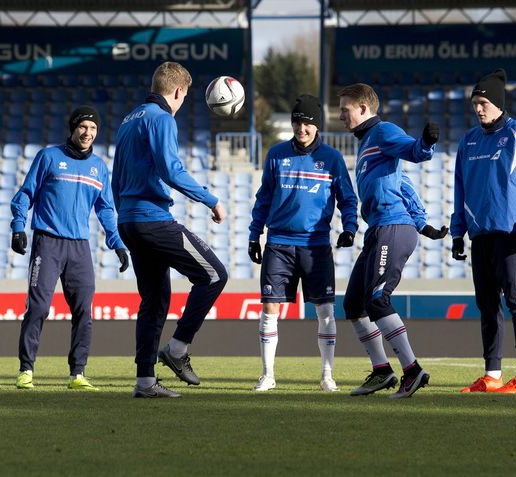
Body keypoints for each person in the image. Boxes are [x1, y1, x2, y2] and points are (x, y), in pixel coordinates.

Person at [112, 61, 228, 398]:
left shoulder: (128, 120)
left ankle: (145, 381)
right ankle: (177, 350)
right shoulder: (161, 118)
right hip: (151, 218)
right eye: (185, 97)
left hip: (130, 221)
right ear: (178, 91)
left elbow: (117, 178)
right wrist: (211, 200)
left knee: (155, 300)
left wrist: (126, 218)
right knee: (214, 275)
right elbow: (171, 170)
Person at [10, 105, 129, 390]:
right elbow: (24, 195)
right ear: (73, 128)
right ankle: (26, 370)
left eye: (93, 129)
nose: (88, 133)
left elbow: (106, 210)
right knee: (38, 308)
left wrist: (118, 244)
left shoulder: (99, 167)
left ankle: (77, 373)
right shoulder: (48, 157)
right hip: (47, 242)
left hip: (79, 249)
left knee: (84, 312)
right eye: (83, 127)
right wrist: (18, 228)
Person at [247, 94, 358, 393]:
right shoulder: (276, 154)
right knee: (270, 308)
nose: (302, 128)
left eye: (308, 122)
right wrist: (254, 234)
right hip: (279, 244)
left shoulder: (332, 159)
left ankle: (327, 375)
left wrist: (350, 228)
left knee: (325, 311)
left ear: (317, 125)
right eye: (297, 121)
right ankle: (268, 375)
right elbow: (264, 199)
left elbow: (348, 199)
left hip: (316, 246)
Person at [338, 83, 440, 398]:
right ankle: (382, 371)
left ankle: (412, 370)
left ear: (364, 109)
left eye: (345, 110)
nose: (341, 116)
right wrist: (423, 224)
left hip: (392, 227)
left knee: (377, 299)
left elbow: (414, 151)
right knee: (353, 302)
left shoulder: (383, 131)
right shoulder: (366, 142)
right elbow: (403, 182)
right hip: (380, 230)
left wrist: (426, 143)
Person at [451, 69, 516, 394]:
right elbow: (460, 192)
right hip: (480, 238)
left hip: (511, 236)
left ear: (498, 102)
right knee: (487, 306)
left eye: (483, 102)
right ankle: (492, 376)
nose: (478, 108)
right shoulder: (468, 142)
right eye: (475, 103)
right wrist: (457, 232)